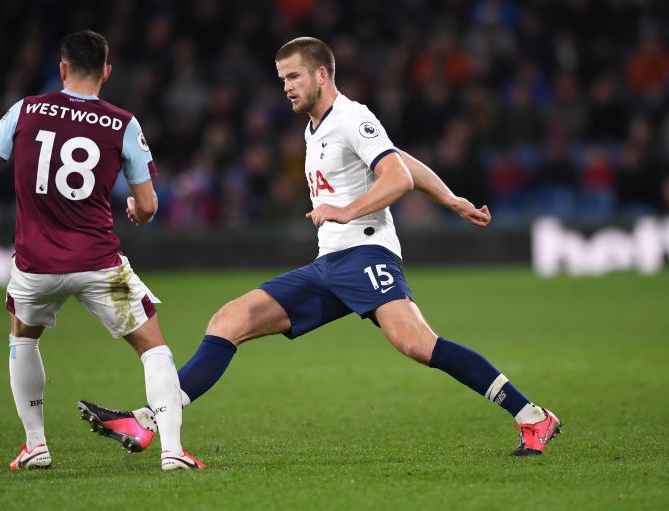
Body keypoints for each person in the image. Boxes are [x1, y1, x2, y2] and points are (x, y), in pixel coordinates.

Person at [81, 36, 561, 458]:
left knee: (417, 343)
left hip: (367, 253)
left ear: (322, 74)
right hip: (329, 263)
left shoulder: (351, 117)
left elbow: (393, 175)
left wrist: (346, 211)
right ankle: (150, 422)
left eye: (293, 76)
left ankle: (532, 415)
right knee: (230, 320)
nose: (286, 86)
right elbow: (404, 160)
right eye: (281, 79)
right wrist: (451, 198)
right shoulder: (316, 126)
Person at [0, 30, 204, 471]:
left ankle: (35, 445)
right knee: (152, 347)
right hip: (100, 264)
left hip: (34, 266)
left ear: (62, 68)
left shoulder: (25, 110)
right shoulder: (123, 122)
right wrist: (139, 214)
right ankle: (172, 452)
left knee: (22, 338)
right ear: (106, 72)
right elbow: (146, 205)